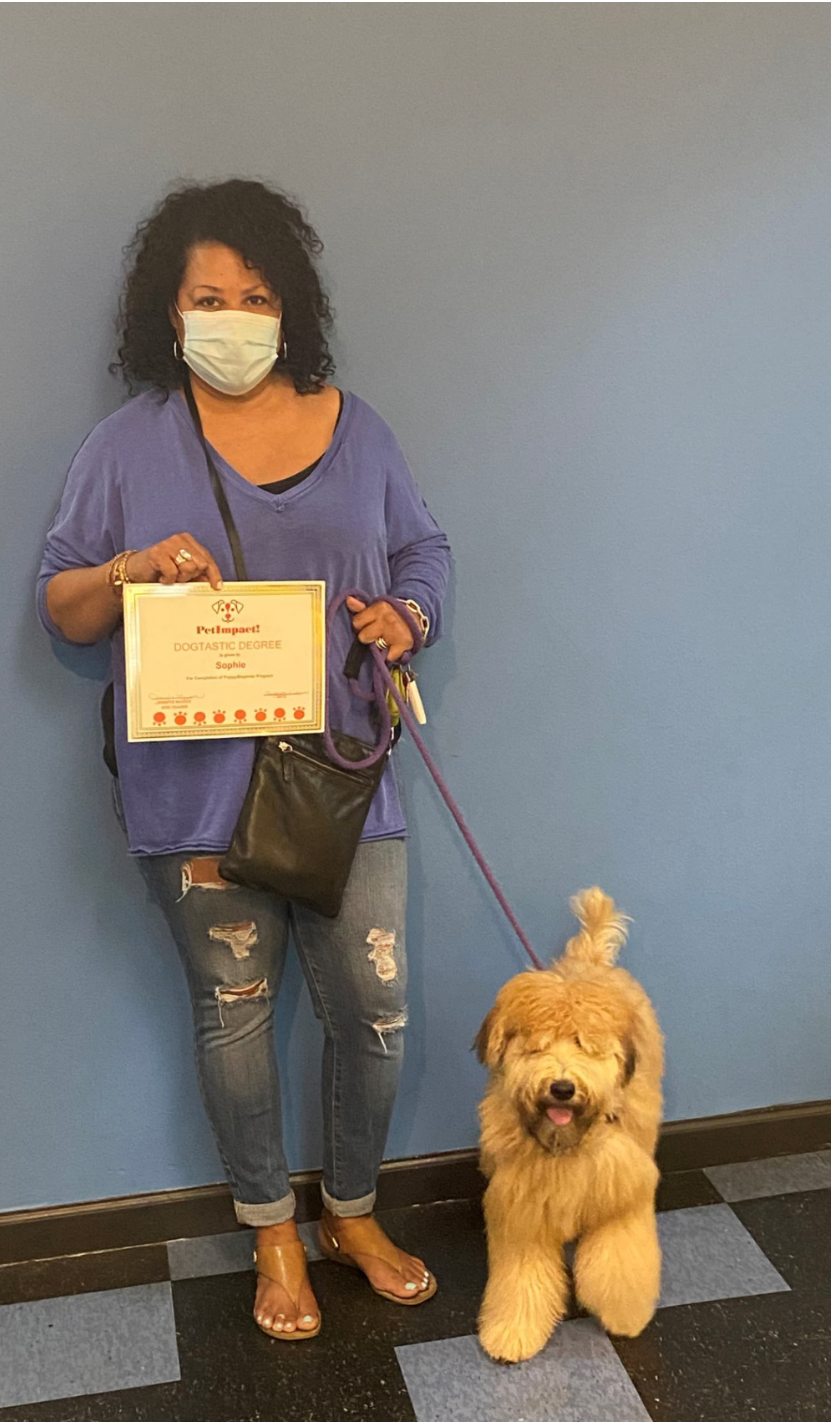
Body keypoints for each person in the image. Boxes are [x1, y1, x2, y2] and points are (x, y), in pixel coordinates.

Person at [37, 179, 452, 1340]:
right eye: (209, 296)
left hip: (338, 783)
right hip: (191, 800)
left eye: (256, 295)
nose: (233, 316)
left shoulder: (356, 427)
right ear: (169, 315)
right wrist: (129, 571)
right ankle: (274, 1229)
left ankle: (352, 1212)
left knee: (375, 1010)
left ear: (291, 307)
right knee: (234, 1013)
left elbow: (425, 548)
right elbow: (59, 606)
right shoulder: (125, 448)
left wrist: (404, 620)